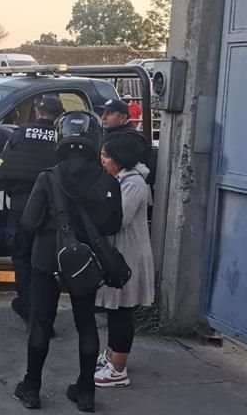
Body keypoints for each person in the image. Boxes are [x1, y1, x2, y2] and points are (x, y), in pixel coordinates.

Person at [14, 111, 123, 413]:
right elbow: (114, 223)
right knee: (86, 323)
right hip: (85, 261)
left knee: (41, 321)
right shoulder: (107, 180)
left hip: (46, 257)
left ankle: (31, 387)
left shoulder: (48, 177)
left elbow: (28, 221)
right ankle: (86, 391)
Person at [0, 94, 64, 324]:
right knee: (47, 264)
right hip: (54, 213)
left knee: (22, 260)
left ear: (37, 112)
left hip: (22, 208)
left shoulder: (20, 134)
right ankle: (45, 317)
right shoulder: (63, 139)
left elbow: (1, 171)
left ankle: (27, 308)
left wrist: (13, 190)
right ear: (59, 115)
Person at [94, 133, 155, 388]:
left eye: (106, 156)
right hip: (119, 255)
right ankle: (111, 356)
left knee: (122, 311)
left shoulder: (133, 184)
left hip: (127, 257)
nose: (102, 160)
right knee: (114, 309)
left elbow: (116, 220)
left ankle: (118, 369)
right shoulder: (119, 179)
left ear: (120, 160)